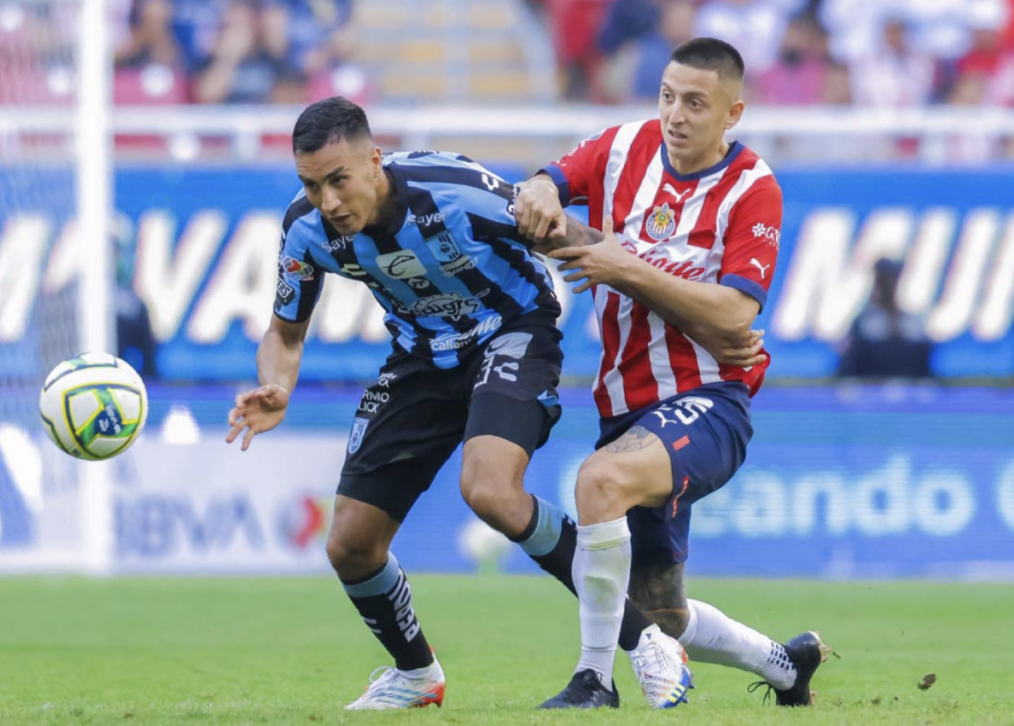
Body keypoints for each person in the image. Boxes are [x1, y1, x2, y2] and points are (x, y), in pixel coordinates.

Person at [225, 96, 735, 711]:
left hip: (512, 329)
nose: (328, 201)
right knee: (350, 545)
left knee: (489, 490)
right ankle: (416, 674)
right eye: (311, 184)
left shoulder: (458, 193)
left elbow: (588, 244)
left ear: (374, 161)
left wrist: (693, 312)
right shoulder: (305, 228)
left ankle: (644, 637)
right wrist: (277, 384)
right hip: (421, 357)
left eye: (339, 180)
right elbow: (284, 333)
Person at [514, 37, 831, 709]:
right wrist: (541, 190)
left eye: (695, 102)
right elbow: (550, 182)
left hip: (711, 401)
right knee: (658, 612)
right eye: (667, 95)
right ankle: (784, 665)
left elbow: (734, 313)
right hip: (625, 407)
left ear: (732, 113)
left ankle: (592, 683)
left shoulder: (753, 189)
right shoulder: (623, 149)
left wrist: (622, 262)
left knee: (596, 481)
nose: (675, 114)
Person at [837, 258, 933, 379]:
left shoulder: (912, 323)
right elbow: (849, 369)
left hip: (909, 393)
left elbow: (925, 368)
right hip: (871, 393)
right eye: (884, 279)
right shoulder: (864, 323)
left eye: (892, 278)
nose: (888, 284)